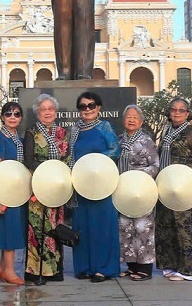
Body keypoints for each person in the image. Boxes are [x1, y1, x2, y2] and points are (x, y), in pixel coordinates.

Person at [155, 97, 192, 282]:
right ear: (169, 112)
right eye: (174, 109)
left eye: (181, 110)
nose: (177, 113)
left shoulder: (190, 133)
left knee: (184, 228)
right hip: (166, 185)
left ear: (187, 113)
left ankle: (188, 269)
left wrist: (185, 170)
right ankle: (171, 264)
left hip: (183, 186)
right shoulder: (168, 130)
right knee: (167, 227)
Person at [69, 91, 120, 282]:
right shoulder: (75, 130)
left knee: (102, 226)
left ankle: (103, 268)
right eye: (83, 106)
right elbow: (70, 154)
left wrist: (93, 163)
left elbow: (115, 150)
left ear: (98, 107)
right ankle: (84, 267)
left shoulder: (104, 127)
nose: (87, 109)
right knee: (83, 226)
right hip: (81, 185)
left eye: (91, 105)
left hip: (101, 183)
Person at [23, 93, 69, 282]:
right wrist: (46, 173)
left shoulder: (62, 133)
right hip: (39, 184)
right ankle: (35, 270)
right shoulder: (31, 132)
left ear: (55, 112)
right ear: (37, 112)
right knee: (37, 228)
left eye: (50, 109)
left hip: (57, 184)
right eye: (44, 109)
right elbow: (28, 159)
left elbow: (66, 158)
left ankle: (55, 269)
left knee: (55, 226)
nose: (47, 112)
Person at [0, 101, 28, 285]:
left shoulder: (18, 137)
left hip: (18, 188)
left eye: (16, 114)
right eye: (8, 114)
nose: (12, 117)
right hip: (6, 188)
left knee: (13, 228)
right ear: (2, 117)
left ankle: (3, 268)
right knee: (9, 230)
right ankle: (10, 271)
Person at [117, 104, 159, 281]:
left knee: (143, 227)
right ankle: (131, 265)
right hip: (122, 190)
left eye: (135, 117)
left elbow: (156, 165)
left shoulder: (147, 141)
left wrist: (137, 175)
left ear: (141, 121)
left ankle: (145, 268)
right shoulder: (118, 140)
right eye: (128, 117)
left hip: (141, 188)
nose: (131, 119)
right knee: (125, 227)